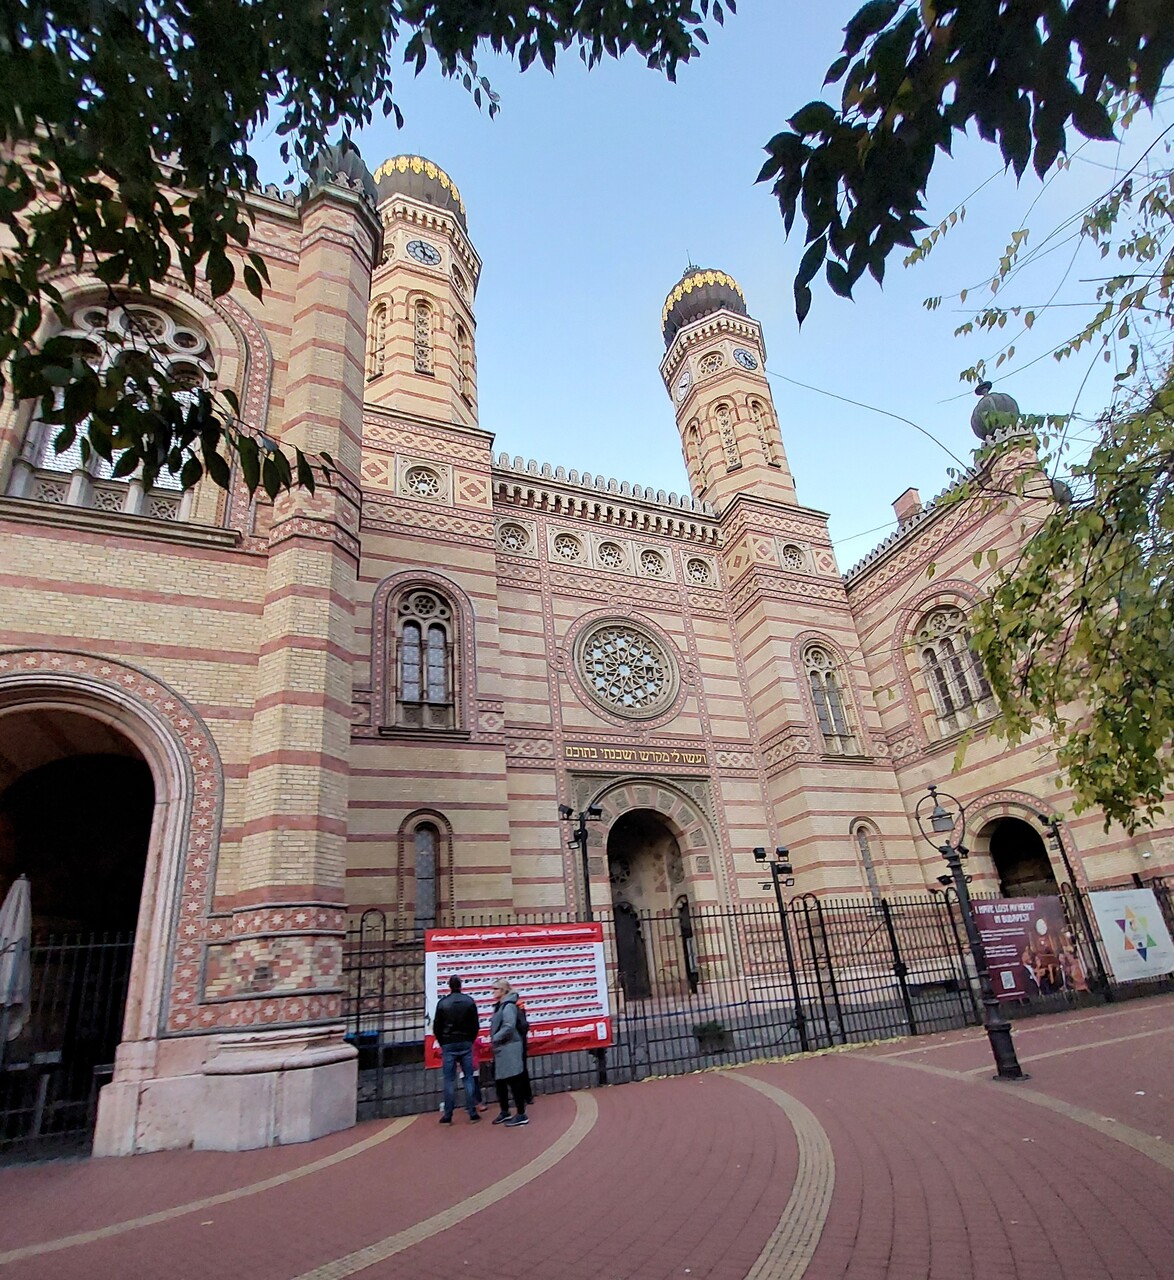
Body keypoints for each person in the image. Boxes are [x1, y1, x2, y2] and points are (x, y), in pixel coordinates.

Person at [432, 975, 482, 1124]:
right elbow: (475, 1024)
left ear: (449, 986)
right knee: (468, 1078)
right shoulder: (468, 1001)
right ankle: (472, 1112)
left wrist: (443, 1042)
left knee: (449, 1080)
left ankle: (448, 1115)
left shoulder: (443, 1003)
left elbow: (437, 1026)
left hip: (448, 1044)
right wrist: (470, 1040)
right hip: (466, 1042)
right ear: (460, 985)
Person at [489, 977, 528, 1127]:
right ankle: (505, 1111)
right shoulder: (500, 1005)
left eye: (495, 989)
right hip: (502, 1050)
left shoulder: (508, 1006)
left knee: (514, 1081)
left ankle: (521, 1113)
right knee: (500, 1082)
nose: (492, 992)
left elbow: (509, 1026)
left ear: (503, 990)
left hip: (509, 1048)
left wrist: (496, 1038)